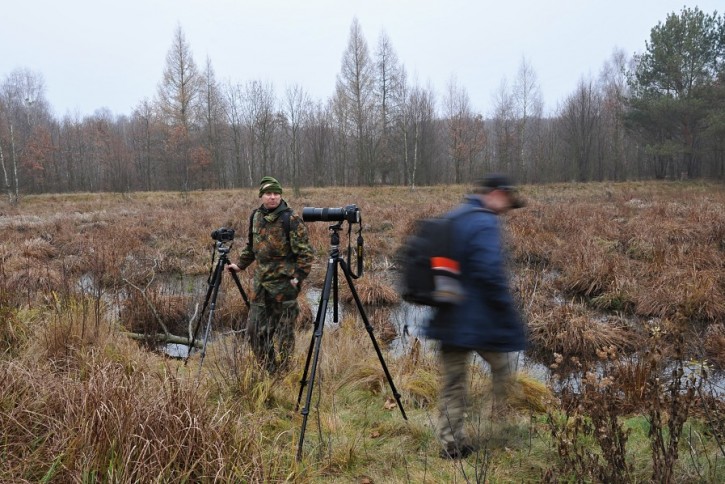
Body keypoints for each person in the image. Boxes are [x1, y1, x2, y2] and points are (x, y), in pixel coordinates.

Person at [425, 173, 526, 459]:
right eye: (507, 201)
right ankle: (497, 424)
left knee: (453, 383)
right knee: (503, 369)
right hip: (479, 322)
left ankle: (451, 445)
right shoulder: (484, 221)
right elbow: (490, 273)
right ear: (496, 193)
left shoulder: (456, 216)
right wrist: (508, 315)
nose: (507, 208)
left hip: (448, 317)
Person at [226, 176, 314, 373]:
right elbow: (252, 246)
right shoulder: (255, 216)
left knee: (284, 333)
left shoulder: (290, 219)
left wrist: (297, 279)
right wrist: (239, 265)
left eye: (276, 193)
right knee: (255, 331)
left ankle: (285, 373)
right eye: (268, 193)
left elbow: (306, 254)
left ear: (280, 195)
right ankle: (269, 370)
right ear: (261, 196)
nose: (272, 197)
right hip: (261, 285)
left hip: (284, 287)